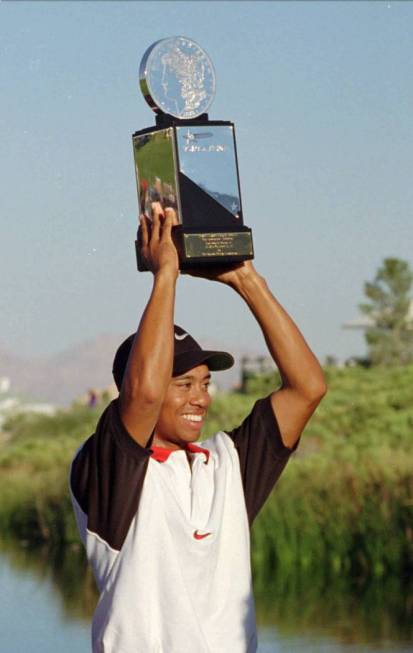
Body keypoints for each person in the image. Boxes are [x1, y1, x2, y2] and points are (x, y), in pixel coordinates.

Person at [69, 202, 327, 653]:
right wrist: (164, 275)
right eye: (184, 383)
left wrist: (246, 280)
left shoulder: (228, 463)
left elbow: (308, 388)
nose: (201, 398)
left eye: (205, 383)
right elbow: (144, 396)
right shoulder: (112, 469)